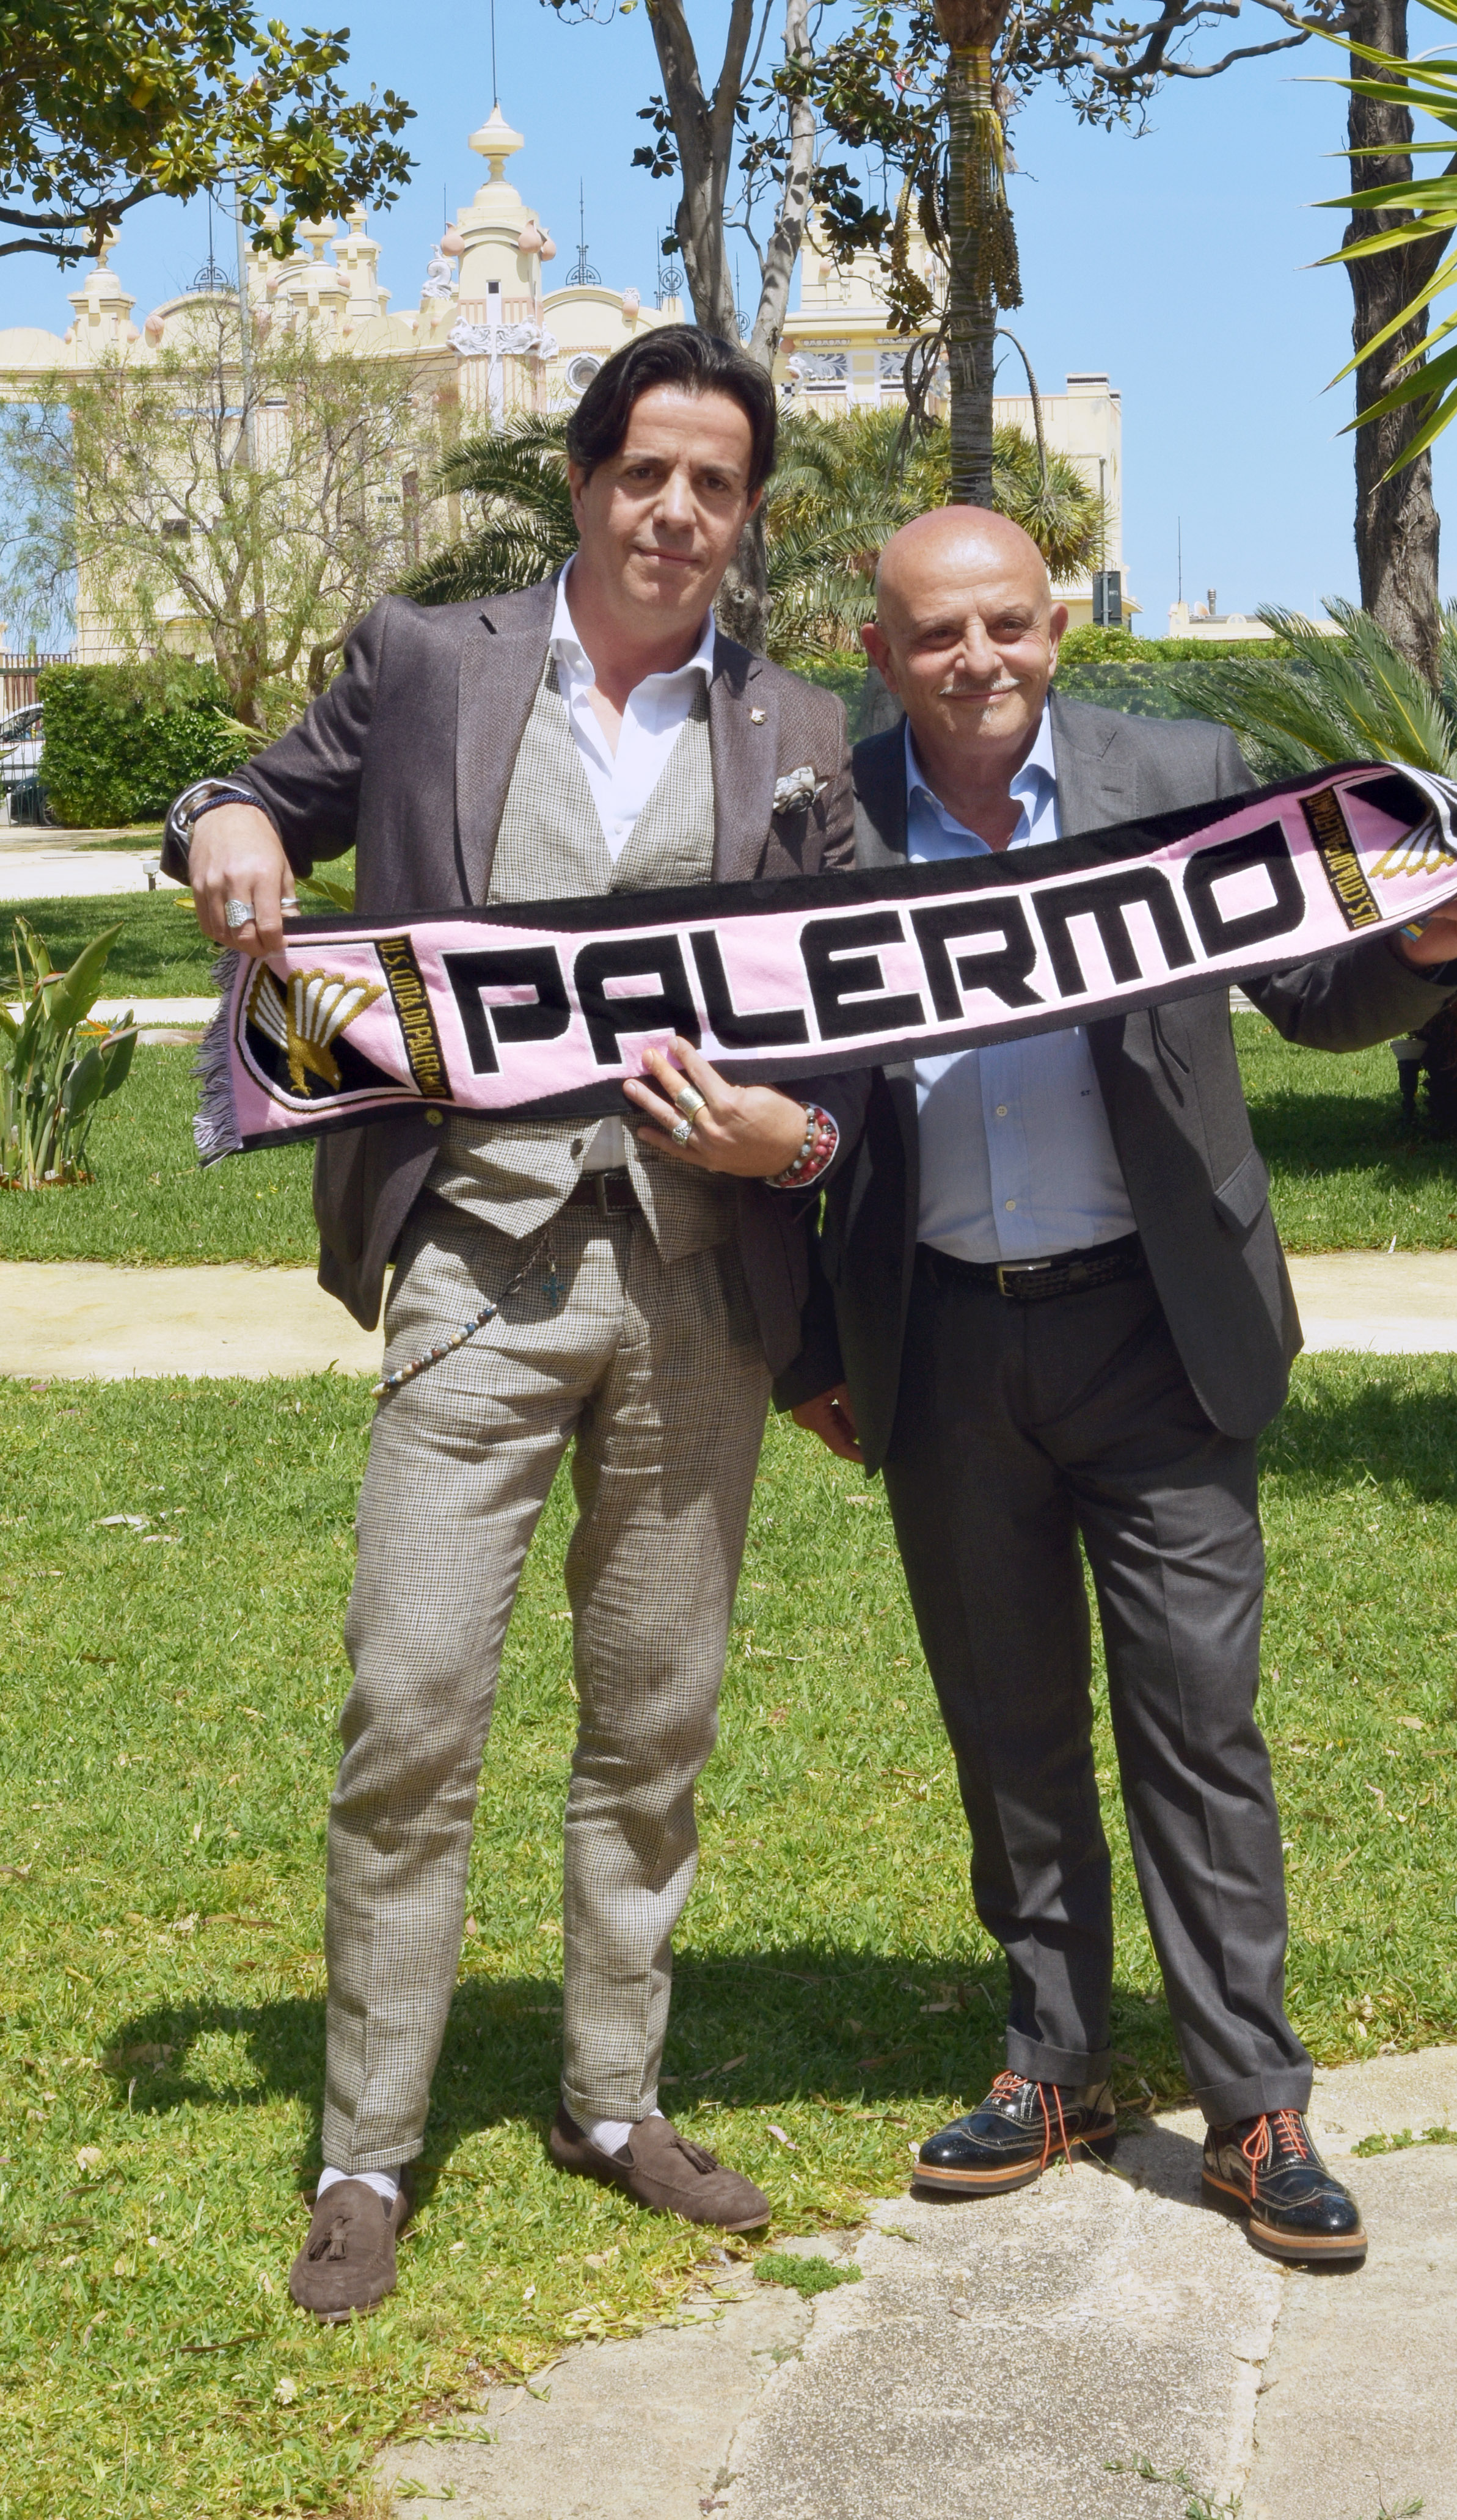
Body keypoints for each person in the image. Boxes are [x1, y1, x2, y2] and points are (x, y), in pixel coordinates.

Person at [163, 326, 864, 2320]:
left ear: (747, 514)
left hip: (701, 1291)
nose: (677, 512)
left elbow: (856, 1005)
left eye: (716, 485)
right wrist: (223, 821)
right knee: (411, 1710)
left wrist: (802, 1136)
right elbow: (255, 796)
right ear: (581, 479)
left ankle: (612, 2099)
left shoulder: (796, 726)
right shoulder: (428, 663)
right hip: (478, 1269)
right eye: (647, 472)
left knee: (656, 1720)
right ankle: (364, 2152)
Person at [782, 507, 1457, 2266]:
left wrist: (1430, 951)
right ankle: (1053, 2063)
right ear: (878, 654)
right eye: (937, 634)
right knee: (1009, 1725)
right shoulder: (823, 822)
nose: (978, 659)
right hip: (940, 1335)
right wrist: (810, 1345)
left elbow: (1317, 992)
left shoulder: (1178, 777)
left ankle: (1255, 2105)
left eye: (1008, 623)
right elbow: (772, 1072)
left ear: (1058, 626)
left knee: (1198, 1723)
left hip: (1158, 1328)